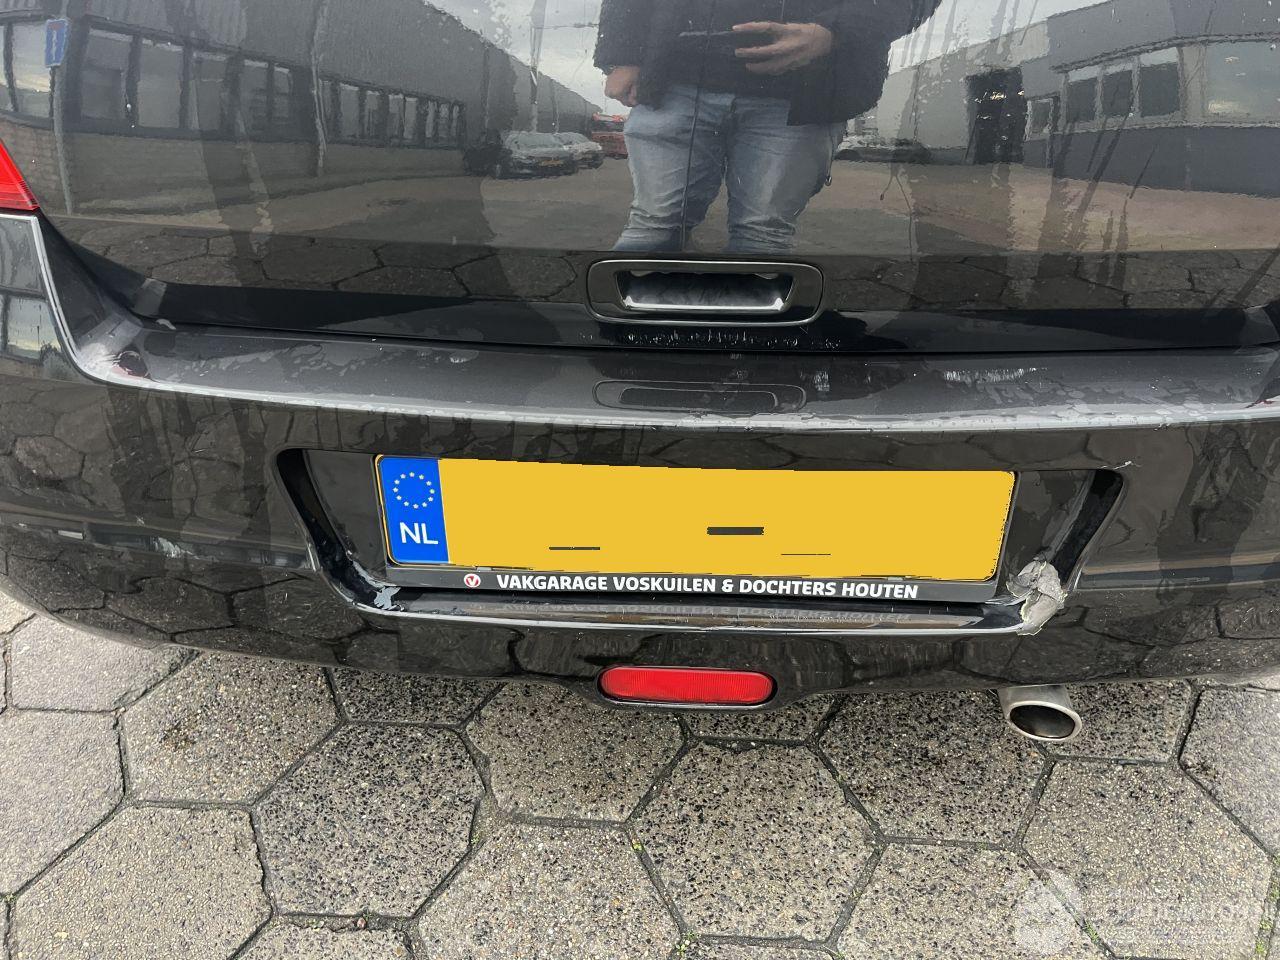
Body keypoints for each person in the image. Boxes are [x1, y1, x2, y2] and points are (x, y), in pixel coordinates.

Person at [595, 0, 941, 253]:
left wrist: (834, 31)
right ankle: (627, 325)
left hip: (805, 90)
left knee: (759, 234)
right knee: (657, 224)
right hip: (676, 79)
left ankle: (742, 335)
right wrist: (622, 54)